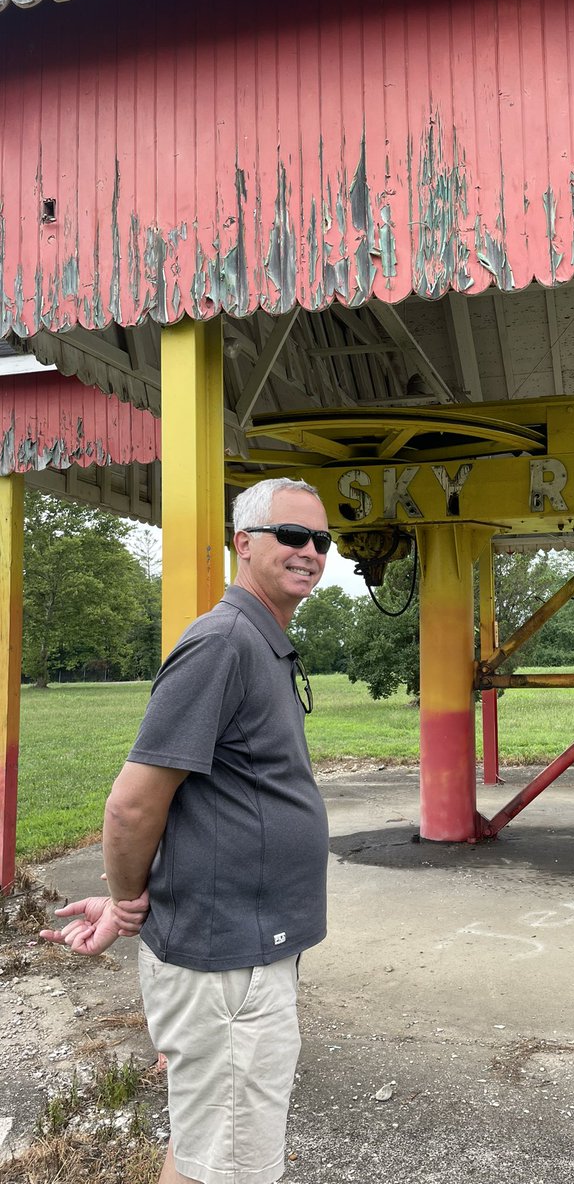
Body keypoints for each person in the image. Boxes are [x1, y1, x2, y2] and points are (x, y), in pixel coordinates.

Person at [41, 477, 332, 1184]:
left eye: (320, 540)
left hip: (244, 952)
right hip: (226, 961)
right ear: (244, 543)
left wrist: (122, 901)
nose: (309, 551)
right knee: (228, 1164)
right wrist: (126, 897)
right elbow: (133, 806)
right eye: (291, 535)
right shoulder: (224, 643)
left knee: (209, 1145)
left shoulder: (264, 642)